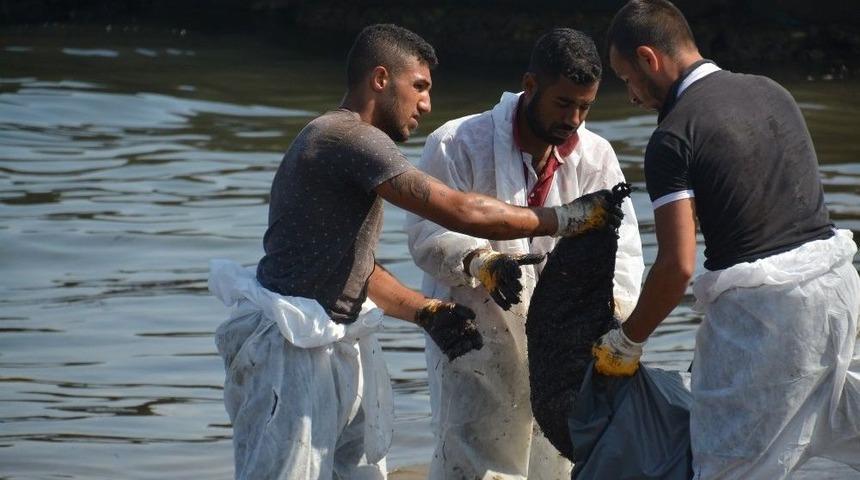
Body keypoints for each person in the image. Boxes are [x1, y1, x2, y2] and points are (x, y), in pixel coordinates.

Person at [209, 24, 626, 480]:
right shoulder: (347, 136)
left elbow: (355, 269)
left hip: (332, 338)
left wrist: (427, 312)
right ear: (381, 79)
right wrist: (563, 219)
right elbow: (459, 211)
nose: (426, 104)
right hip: (290, 347)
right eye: (420, 87)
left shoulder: (348, 147)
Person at [594, 1, 860, 478]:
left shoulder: (673, 135)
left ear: (648, 58)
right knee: (850, 427)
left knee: (728, 467)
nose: (631, 94)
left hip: (768, 317)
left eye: (625, 78)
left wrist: (626, 341)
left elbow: (676, 267)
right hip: (840, 291)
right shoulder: (773, 91)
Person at [406, 28, 644, 479]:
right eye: (563, 103)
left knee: (557, 462)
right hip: (479, 335)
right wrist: (481, 261)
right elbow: (425, 233)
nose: (573, 118)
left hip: (564, 346)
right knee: (473, 463)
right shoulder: (457, 143)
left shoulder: (596, 156)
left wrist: (612, 310)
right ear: (530, 86)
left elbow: (626, 250)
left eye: (584, 106)